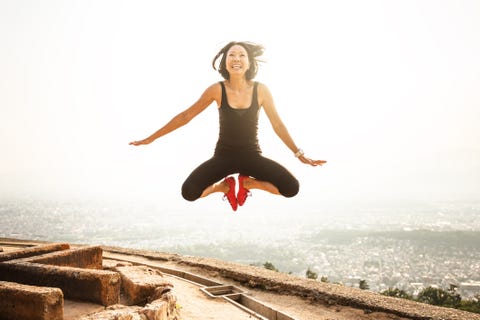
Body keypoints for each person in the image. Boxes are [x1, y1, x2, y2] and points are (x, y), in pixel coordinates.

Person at [130, 41, 326, 211]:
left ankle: (248, 183)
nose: (236, 58)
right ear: (225, 62)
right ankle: (224, 187)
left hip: (252, 156)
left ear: (249, 63)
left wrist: (300, 155)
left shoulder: (261, 90)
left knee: (291, 188)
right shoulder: (217, 89)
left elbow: (278, 125)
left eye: (242, 55)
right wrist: (151, 138)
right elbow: (185, 116)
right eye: (231, 55)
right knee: (189, 192)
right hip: (223, 156)